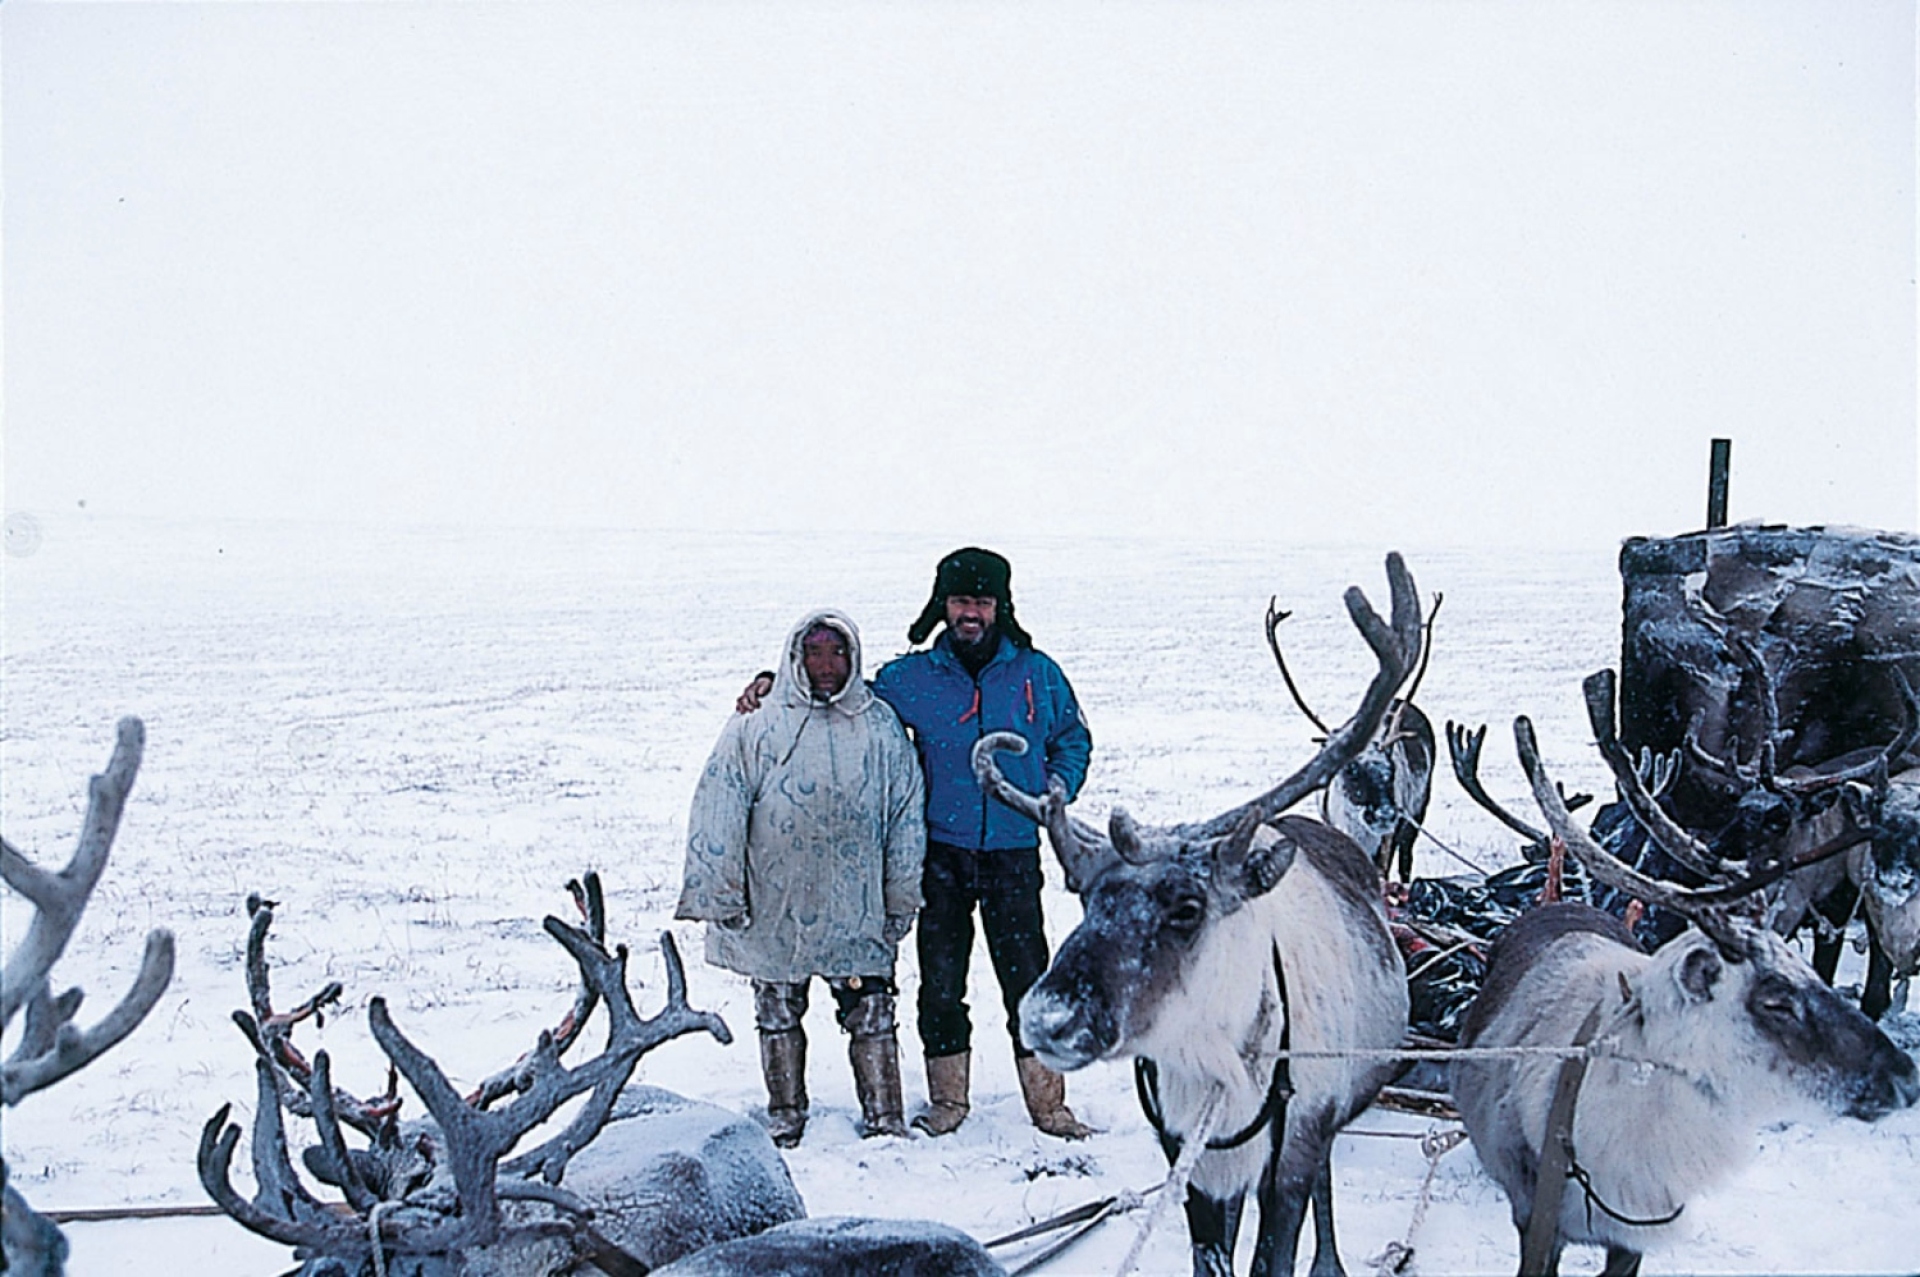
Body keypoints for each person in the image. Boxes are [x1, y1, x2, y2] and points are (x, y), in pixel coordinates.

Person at [737, 548, 1094, 1139]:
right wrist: (775, 683)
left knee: (1028, 979)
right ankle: (948, 1102)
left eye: (982, 601)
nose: (970, 613)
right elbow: (846, 697)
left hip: (1013, 852)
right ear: (942, 606)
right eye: (960, 601)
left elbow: (1072, 739)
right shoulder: (913, 679)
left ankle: (1049, 1105)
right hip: (940, 856)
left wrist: (1055, 791)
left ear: (1000, 606)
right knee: (941, 983)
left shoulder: (1038, 674)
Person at [678, 610, 925, 1147]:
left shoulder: (879, 724)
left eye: (837, 653)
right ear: (794, 657)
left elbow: (906, 808)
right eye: (813, 653)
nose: (826, 665)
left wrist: (902, 892)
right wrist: (720, 893)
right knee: (777, 1009)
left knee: (872, 1011)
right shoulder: (757, 724)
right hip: (776, 900)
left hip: (856, 903)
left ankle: (885, 1117)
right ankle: (785, 1112)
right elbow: (718, 804)